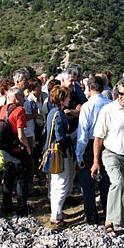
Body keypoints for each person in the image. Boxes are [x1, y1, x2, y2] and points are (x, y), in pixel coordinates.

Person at [91, 77, 124, 236]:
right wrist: (95, 161)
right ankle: (109, 222)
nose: (123, 97)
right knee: (118, 183)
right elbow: (98, 137)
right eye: (119, 93)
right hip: (111, 153)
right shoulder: (108, 110)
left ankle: (118, 219)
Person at [76, 76, 112, 225]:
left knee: (87, 182)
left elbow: (83, 133)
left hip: (91, 144)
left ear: (89, 89)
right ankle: (108, 213)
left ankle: (91, 215)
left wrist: (79, 155)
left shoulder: (87, 106)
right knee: (107, 181)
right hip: (108, 144)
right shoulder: (111, 104)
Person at [0, 87, 32, 216]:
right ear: (15, 98)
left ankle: (6, 205)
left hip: (6, 148)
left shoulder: (1, 109)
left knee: (8, 177)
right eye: (22, 96)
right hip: (18, 149)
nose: (24, 99)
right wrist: (27, 148)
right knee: (22, 179)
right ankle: (21, 208)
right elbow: (21, 134)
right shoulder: (19, 110)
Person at [44, 85, 74, 226]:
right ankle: (56, 216)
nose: (69, 98)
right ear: (62, 99)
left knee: (55, 184)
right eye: (67, 96)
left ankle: (56, 211)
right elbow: (60, 138)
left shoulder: (52, 112)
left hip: (52, 152)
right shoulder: (59, 114)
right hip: (60, 153)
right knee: (62, 184)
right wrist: (73, 136)